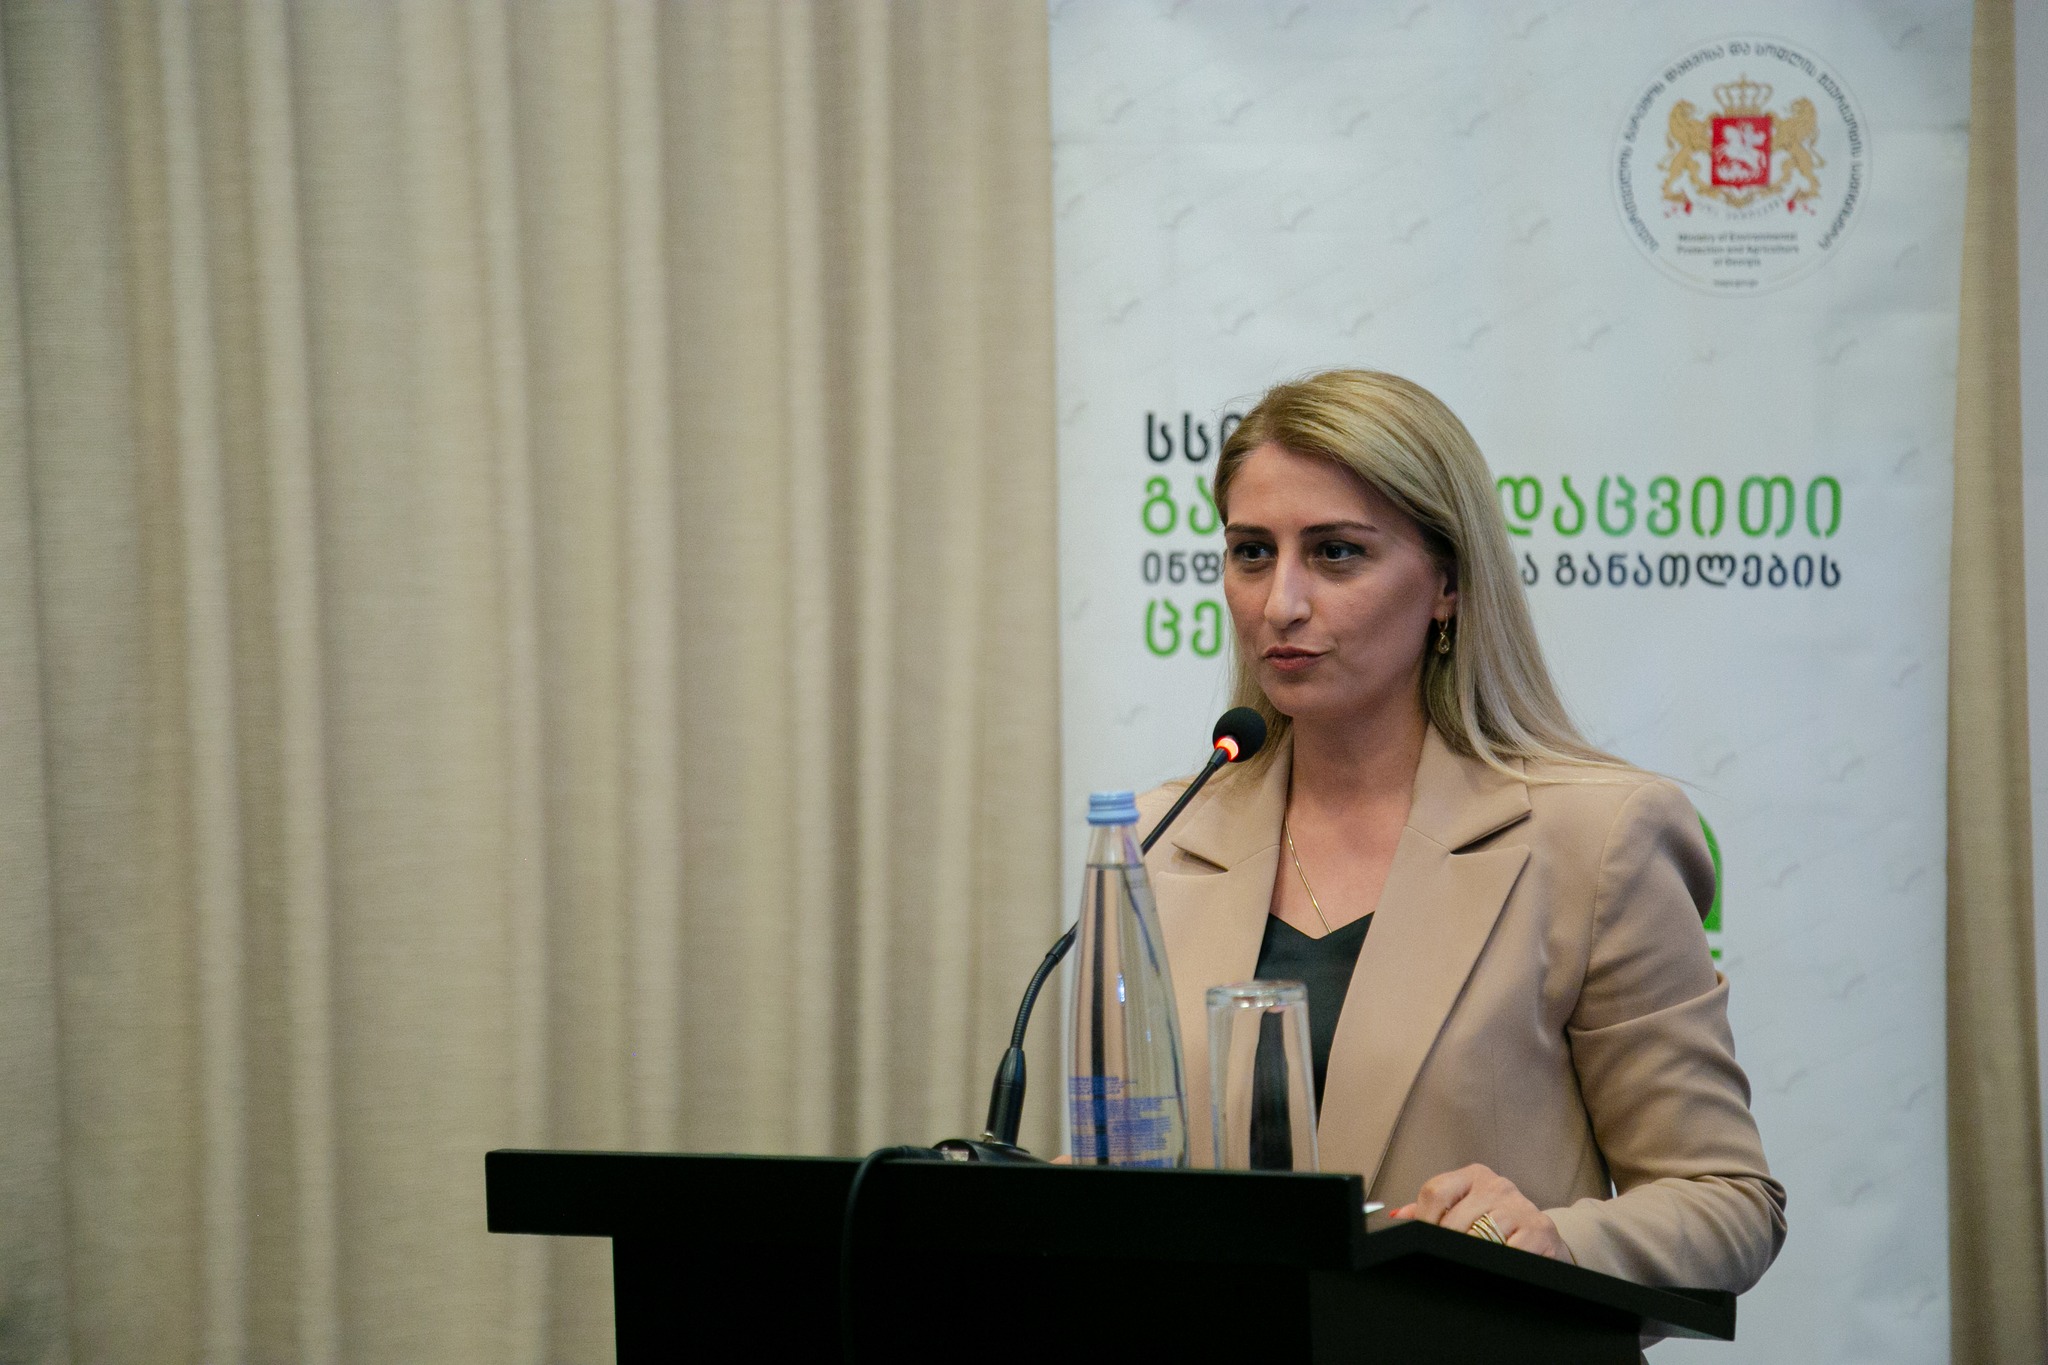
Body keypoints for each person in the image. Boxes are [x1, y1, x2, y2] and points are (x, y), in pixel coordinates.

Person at [1137, 369, 1785, 1293]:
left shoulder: (1597, 838)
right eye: (1251, 552)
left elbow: (1727, 1202)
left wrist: (1556, 1240)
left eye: (1335, 553)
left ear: (1446, 582)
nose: (1281, 602)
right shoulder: (1163, 839)